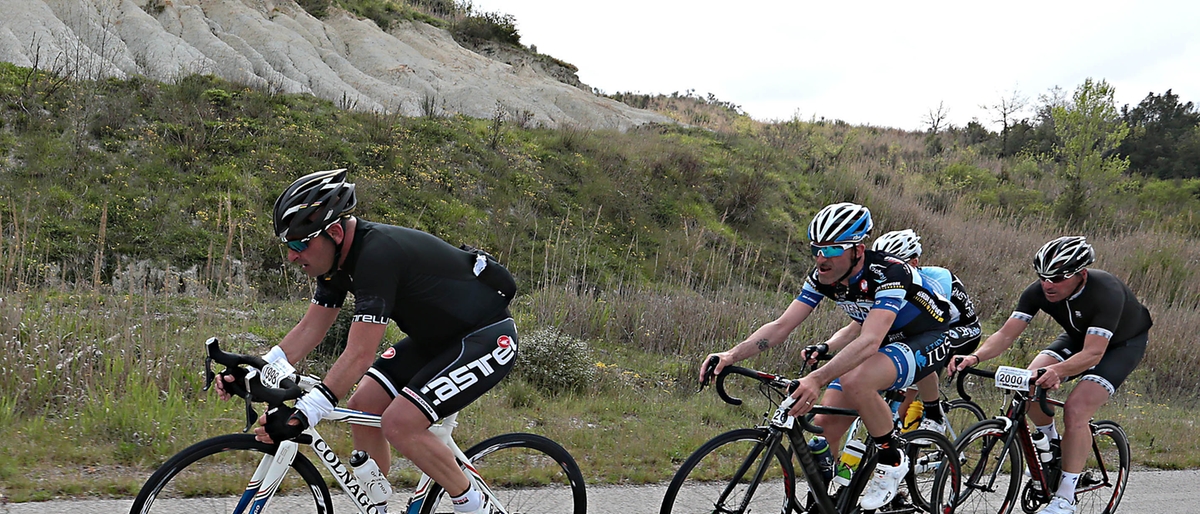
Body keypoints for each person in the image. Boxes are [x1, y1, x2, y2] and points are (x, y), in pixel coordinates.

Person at [217, 169, 518, 514]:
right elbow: (310, 329)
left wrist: (306, 413)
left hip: (486, 338)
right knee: (363, 408)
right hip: (436, 340)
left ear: (332, 232)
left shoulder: (377, 255)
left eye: (300, 244)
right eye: (288, 246)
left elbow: (360, 354)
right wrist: (259, 368)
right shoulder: (333, 263)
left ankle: (474, 505)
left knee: (399, 423)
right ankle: (378, 505)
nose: (292, 256)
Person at [700, 202, 955, 510]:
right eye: (816, 249)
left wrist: (817, 378)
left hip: (927, 337)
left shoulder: (890, 271)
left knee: (857, 381)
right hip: (885, 338)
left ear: (857, 250)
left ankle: (892, 459)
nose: (822, 259)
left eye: (833, 249)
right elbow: (781, 326)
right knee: (823, 430)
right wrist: (732, 354)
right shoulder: (824, 277)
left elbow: (870, 340)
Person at [948, 236, 1151, 514]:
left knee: (1076, 409)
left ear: (1081, 275)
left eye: (1057, 277)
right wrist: (975, 356)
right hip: (1077, 337)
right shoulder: (1038, 291)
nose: (1048, 284)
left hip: (1119, 346)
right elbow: (1007, 333)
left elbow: (1093, 354)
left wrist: (1055, 370)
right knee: (1027, 382)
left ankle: (1065, 497)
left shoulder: (1106, 291)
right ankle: (1052, 444)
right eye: (1043, 277)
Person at [871, 229, 981, 434]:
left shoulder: (938, 279)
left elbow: (932, 326)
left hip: (961, 329)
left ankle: (932, 416)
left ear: (913, 263)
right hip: (926, 329)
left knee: (923, 352)